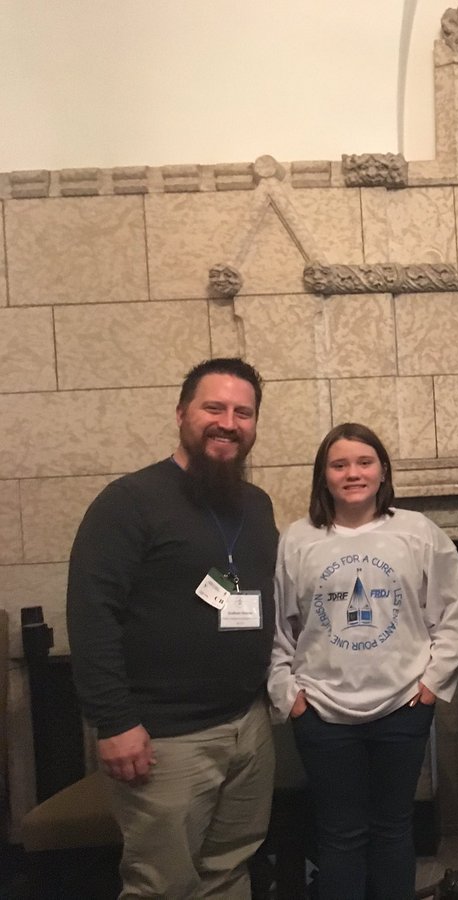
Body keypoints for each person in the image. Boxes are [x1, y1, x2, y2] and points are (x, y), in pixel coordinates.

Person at [67, 358, 278, 898]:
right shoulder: (129, 501)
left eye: (243, 412)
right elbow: (92, 614)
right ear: (182, 412)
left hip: (247, 728)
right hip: (165, 739)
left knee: (229, 869)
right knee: (161, 884)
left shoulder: (255, 505)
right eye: (214, 408)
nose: (228, 422)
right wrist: (113, 722)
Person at [269, 422, 458, 900]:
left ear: (383, 471)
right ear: (323, 476)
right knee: (339, 836)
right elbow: (278, 627)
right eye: (339, 465)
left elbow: (456, 613)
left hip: (402, 708)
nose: (352, 473)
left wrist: (429, 688)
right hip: (321, 712)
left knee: (392, 830)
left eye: (364, 462)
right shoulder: (297, 540)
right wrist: (291, 697)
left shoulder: (418, 533)